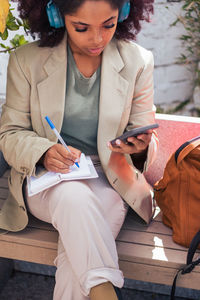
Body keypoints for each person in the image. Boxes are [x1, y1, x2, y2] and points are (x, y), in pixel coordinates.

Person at [0, 0, 158, 299]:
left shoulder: (139, 61)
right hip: (49, 176)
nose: (97, 39)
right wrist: (44, 151)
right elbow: (10, 134)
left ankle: (101, 291)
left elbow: (144, 130)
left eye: (109, 25)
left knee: (77, 259)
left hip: (109, 178)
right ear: (56, 16)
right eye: (82, 28)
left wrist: (137, 147)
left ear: (123, 14)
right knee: (73, 194)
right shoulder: (26, 61)